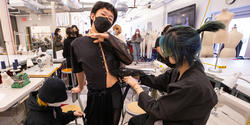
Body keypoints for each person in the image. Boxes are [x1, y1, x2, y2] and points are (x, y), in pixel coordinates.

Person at [123, 21, 225, 125]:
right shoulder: (183, 69)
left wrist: (136, 86)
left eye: (168, 51)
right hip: (174, 116)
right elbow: (159, 81)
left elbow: (157, 110)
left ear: (181, 53)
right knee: (135, 121)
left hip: (181, 122)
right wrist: (139, 75)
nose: (166, 54)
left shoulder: (191, 85)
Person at [70, 1, 133, 125]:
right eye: (103, 14)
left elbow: (128, 59)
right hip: (95, 94)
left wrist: (109, 38)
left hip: (115, 91)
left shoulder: (112, 41)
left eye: (110, 19)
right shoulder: (77, 44)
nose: (106, 19)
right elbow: (79, 70)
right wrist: (80, 86)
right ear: (92, 16)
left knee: (114, 122)